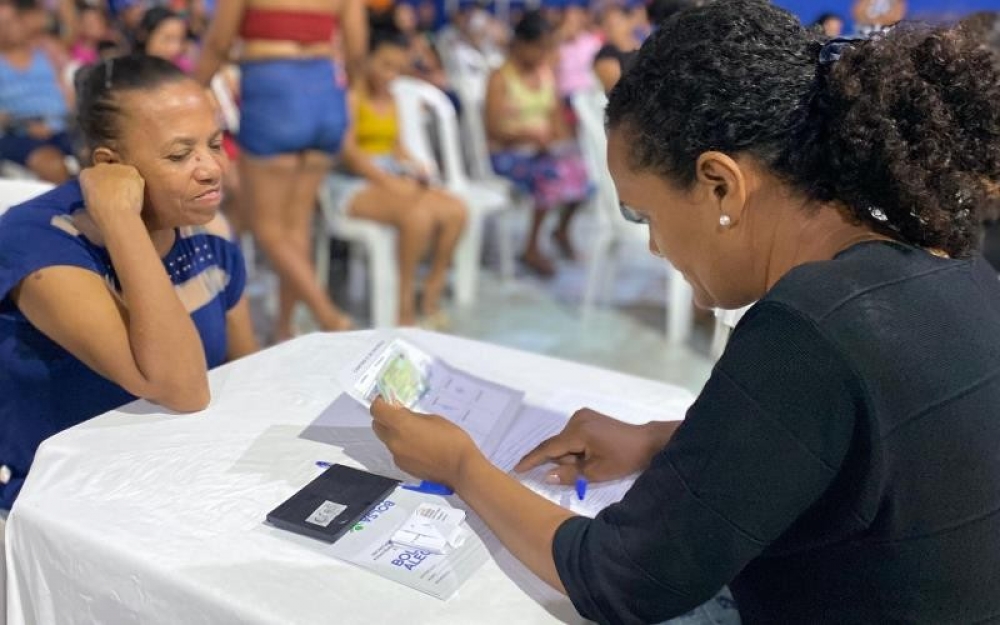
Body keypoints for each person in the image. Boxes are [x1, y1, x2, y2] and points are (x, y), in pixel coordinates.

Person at [368, 1, 1000, 622]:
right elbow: (844, 446)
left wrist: (461, 465)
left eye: (644, 214)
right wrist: (654, 439)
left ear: (720, 184)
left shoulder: (808, 326)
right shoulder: (946, 262)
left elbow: (623, 579)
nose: (653, 245)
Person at [0, 54, 258, 510]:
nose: (211, 168)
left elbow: (249, 375)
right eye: (181, 155)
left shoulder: (208, 241)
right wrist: (120, 219)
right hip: (62, 505)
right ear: (110, 165)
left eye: (215, 144)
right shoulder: (38, 243)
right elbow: (181, 388)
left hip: (179, 480)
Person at [195, 0, 366, 340]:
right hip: (326, 94)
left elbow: (218, 43)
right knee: (296, 227)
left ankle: (330, 317)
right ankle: (285, 328)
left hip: (274, 93)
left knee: (268, 228)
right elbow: (357, 50)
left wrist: (193, 90)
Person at [330, 28, 467, 327]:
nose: (391, 75)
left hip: (388, 175)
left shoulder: (390, 98)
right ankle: (402, 305)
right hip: (352, 182)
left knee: (456, 210)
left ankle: (430, 291)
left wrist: (416, 166)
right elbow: (349, 153)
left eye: (398, 68)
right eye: (385, 65)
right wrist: (388, 181)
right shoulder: (352, 97)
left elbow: (396, 146)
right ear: (367, 60)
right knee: (417, 217)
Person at [485, 10, 590, 276]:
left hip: (541, 151)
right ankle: (531, 247)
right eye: (539, 47)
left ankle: (561, 231)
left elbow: (557, 121)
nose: (543, 54)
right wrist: (526, 137)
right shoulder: (499, 78)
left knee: (585, 173)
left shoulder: (545, 74)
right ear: (521, 43)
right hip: (506, 154)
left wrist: (561, 142)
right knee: (551, 176)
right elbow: (493, 128)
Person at [0, 0, 74, 183]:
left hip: (62, 126)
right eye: (4, 23)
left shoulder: (46, 52)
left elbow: (67, 93)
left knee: (98, 153)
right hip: (19, 133)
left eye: (14, 19)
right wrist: (24, 126)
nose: (13, 27)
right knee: (53, 165)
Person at [592, 1, 639, 93]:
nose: (612, 27)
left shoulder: (643, 46)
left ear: (630, 21)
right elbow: (619, 92)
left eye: (617, 22)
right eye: (608, 24)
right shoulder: (605, 56)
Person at [135, 6, 194, 73]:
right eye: (167, 39)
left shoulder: (181, 73)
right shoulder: (128, 75)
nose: (176, 48)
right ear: (143, 35)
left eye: (181, 40)